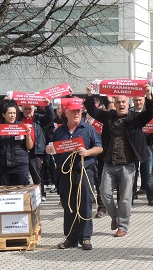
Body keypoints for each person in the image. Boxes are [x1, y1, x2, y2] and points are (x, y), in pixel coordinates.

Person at [84, 84, 153, 237]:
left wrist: (149, 95)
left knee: (125, 198)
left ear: (128, 104)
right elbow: (93, 111)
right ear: (114, 104)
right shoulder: (108, 117)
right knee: (104, 193)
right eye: (118, 102)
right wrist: (89, 95)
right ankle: (115, 217)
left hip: (127, 165)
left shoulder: (135, 119)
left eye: (123, 102)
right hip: (109, 163)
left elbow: (150, 112)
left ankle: (122, 225)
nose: (121, 105)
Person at [46, 99, 102, 250]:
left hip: (84, 172)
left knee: (85, 204)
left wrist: (87, 152)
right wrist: (49, 149)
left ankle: (86, 238)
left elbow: (99, 148)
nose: (77, 114)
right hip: (65, 173)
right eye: (74, 111)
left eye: (79, 111)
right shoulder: (59, 131)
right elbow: (54, 148)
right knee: (69, 205)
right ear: (66, 113)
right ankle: (71, 238)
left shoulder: (88, 129)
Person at [0, 99, 33, 186]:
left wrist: (28, 135)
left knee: (22, 193)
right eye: (10, 113)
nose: (12, 115)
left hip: (20, 166)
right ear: (4, 115)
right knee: (3, 195)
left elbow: (29, 146)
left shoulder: (21, 126)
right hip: (3, 166)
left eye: (14, 113)